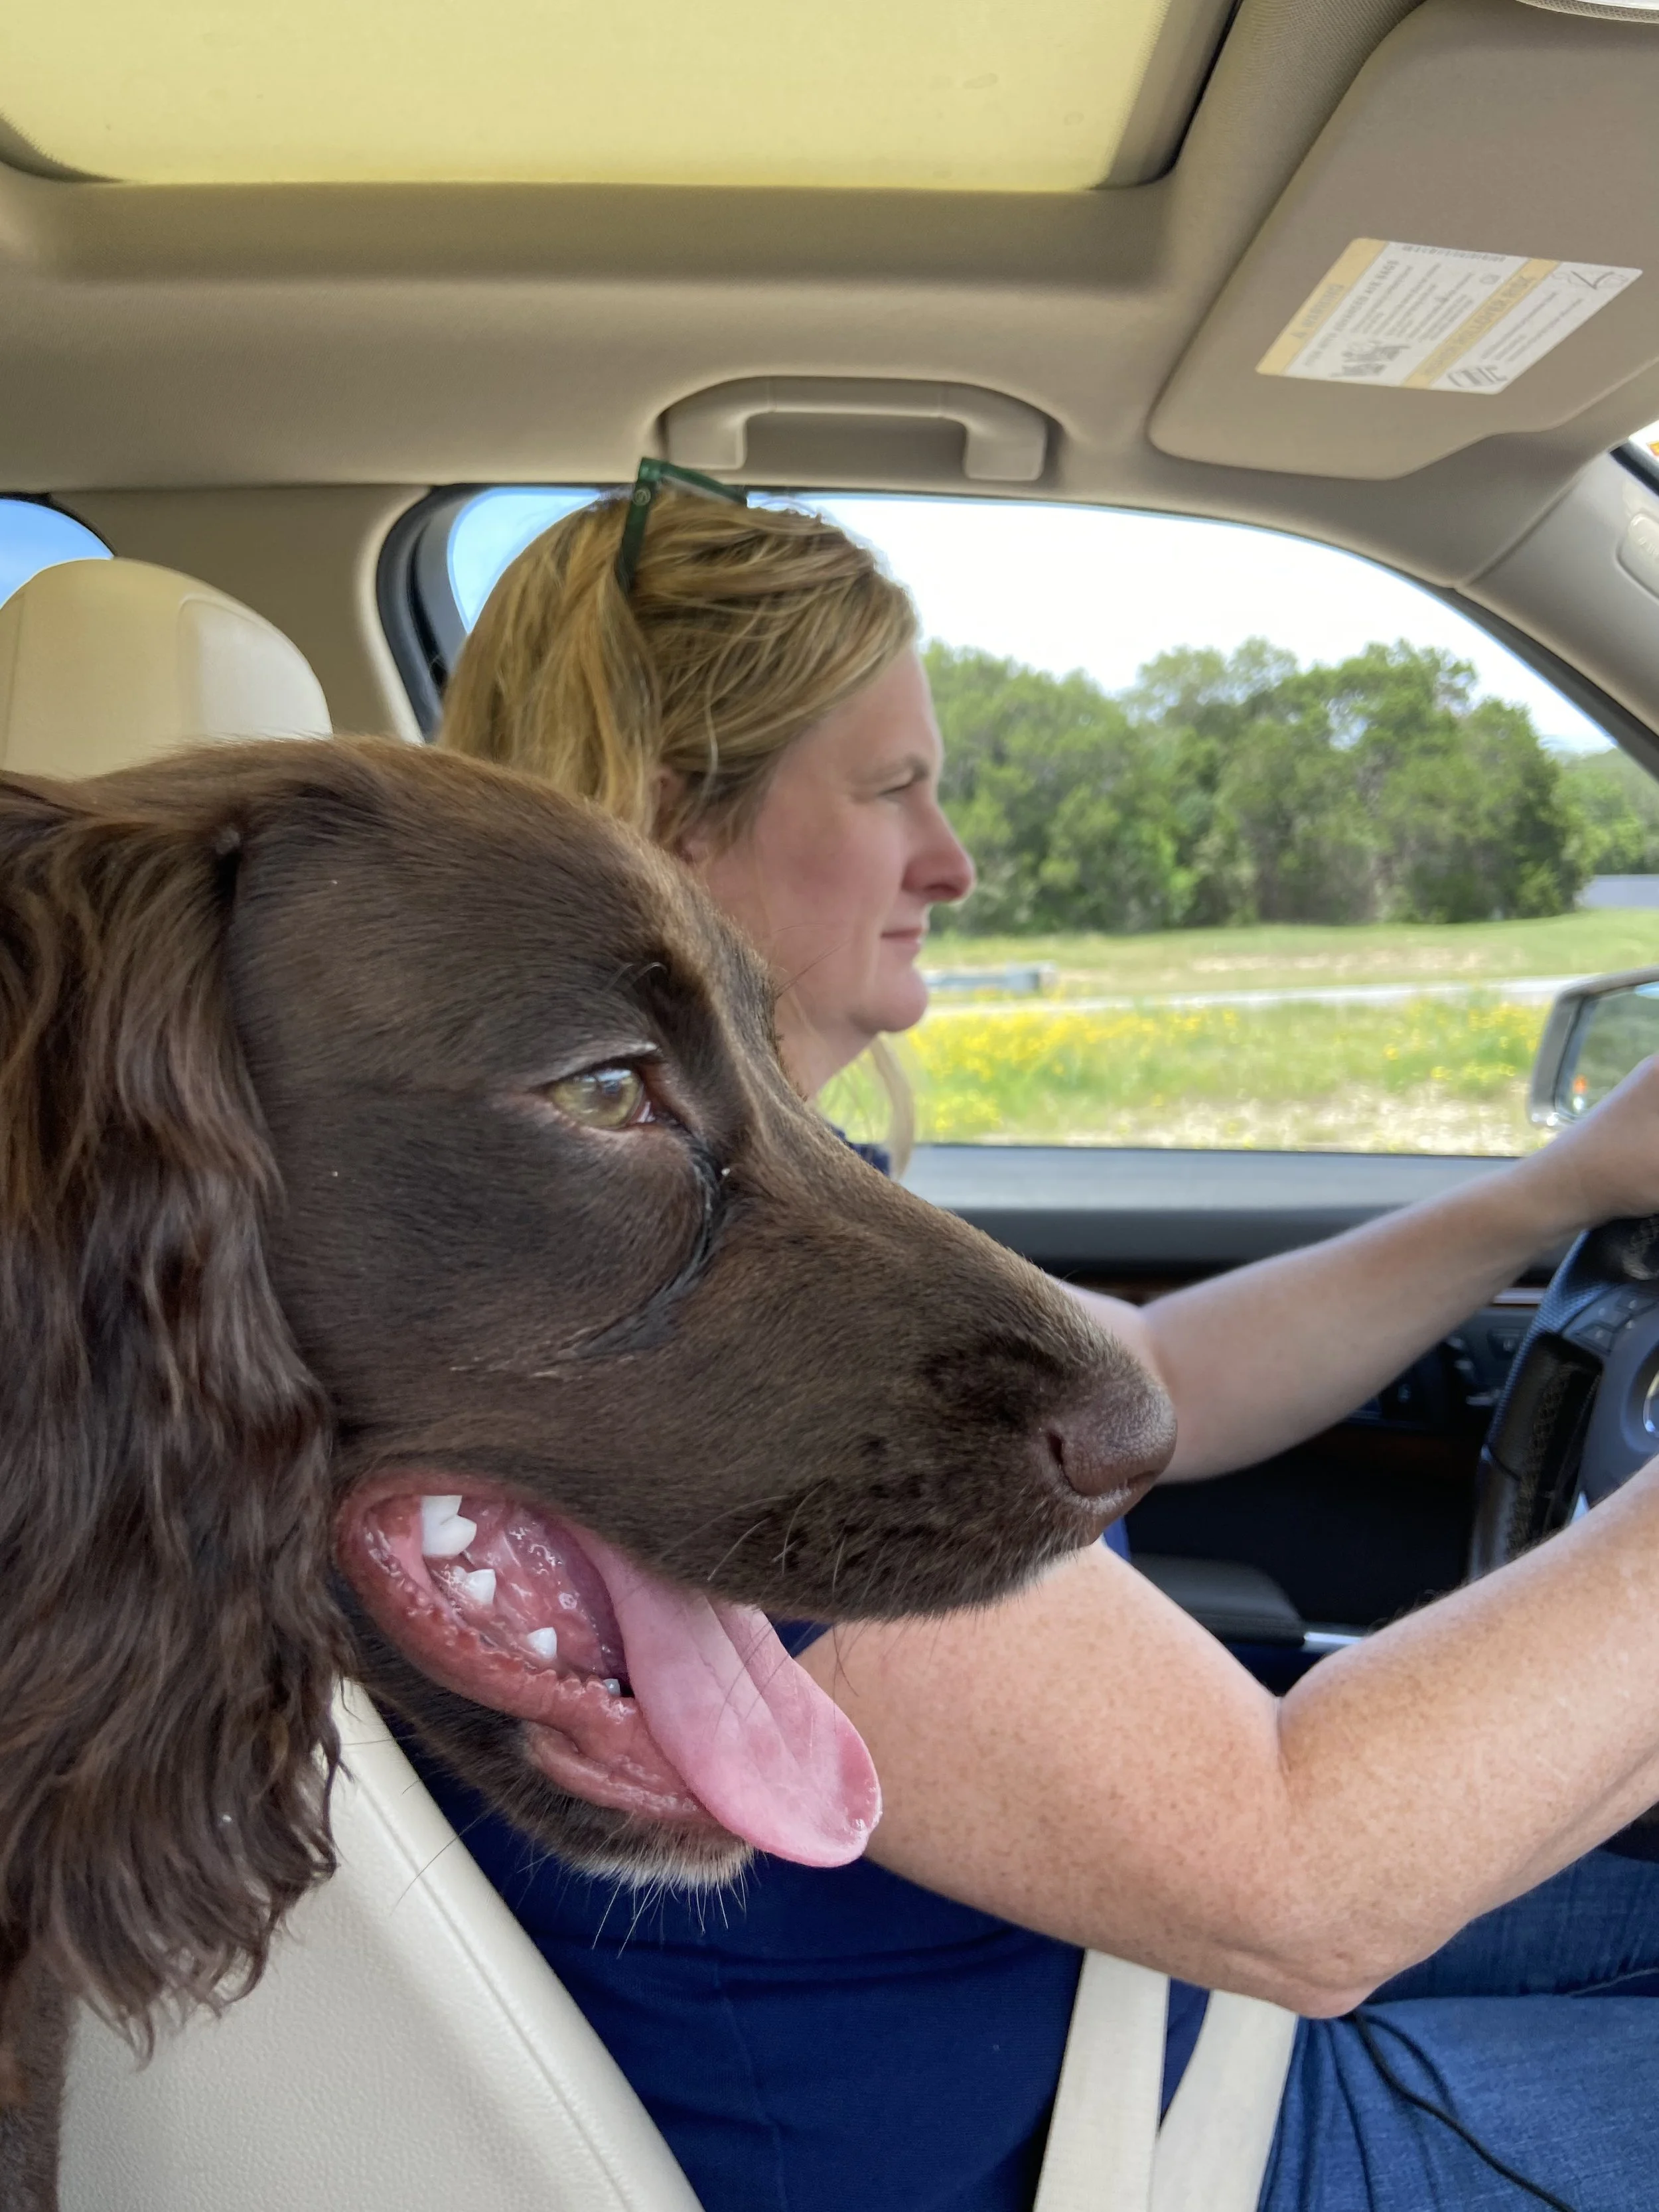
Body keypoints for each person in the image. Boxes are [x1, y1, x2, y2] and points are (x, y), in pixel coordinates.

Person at [434, 473, 1659, 2212]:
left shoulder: (749, 1216)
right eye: (890, 789)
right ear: (671, 820)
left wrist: (1551, 1190)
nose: (953, 859)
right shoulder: (683, 1303)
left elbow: (1156, 1372)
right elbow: (1301, 1872)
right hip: (1126, 2142)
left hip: (1126, 2003)